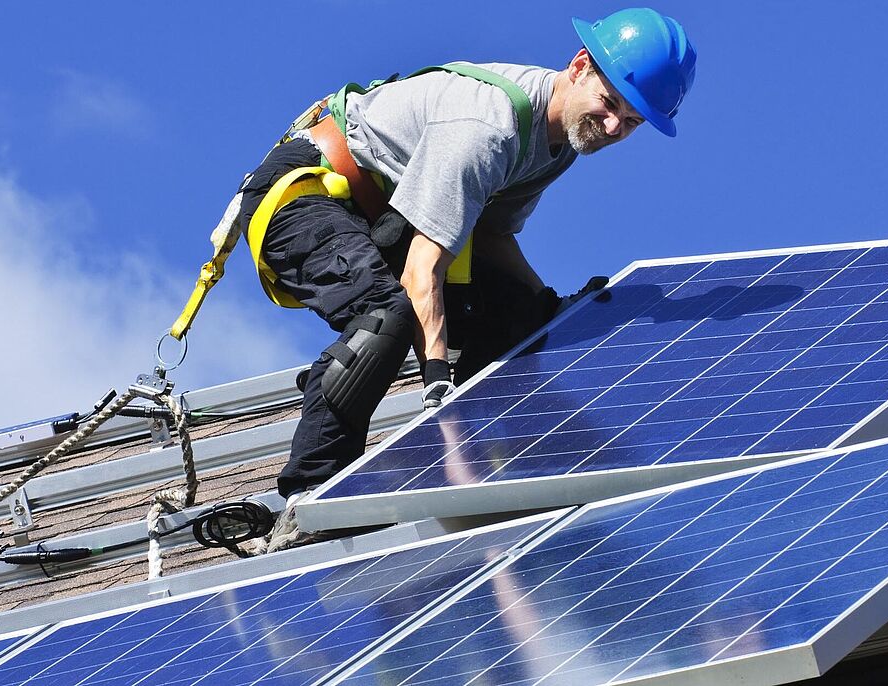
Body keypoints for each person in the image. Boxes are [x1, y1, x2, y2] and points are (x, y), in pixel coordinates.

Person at [228, 8, 696, 550]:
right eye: (610, 103)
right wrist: (438, 398)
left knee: (523, 314)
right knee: (388, 315)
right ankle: (311, 502)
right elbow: (421, 273)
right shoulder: (489, 128)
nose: (613, 127)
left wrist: (550, 306)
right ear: (579, 66)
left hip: (383, 215)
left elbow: (492, 238)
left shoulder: (559, 143)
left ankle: (504, 457)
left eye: (632, 122)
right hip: (303, 194)